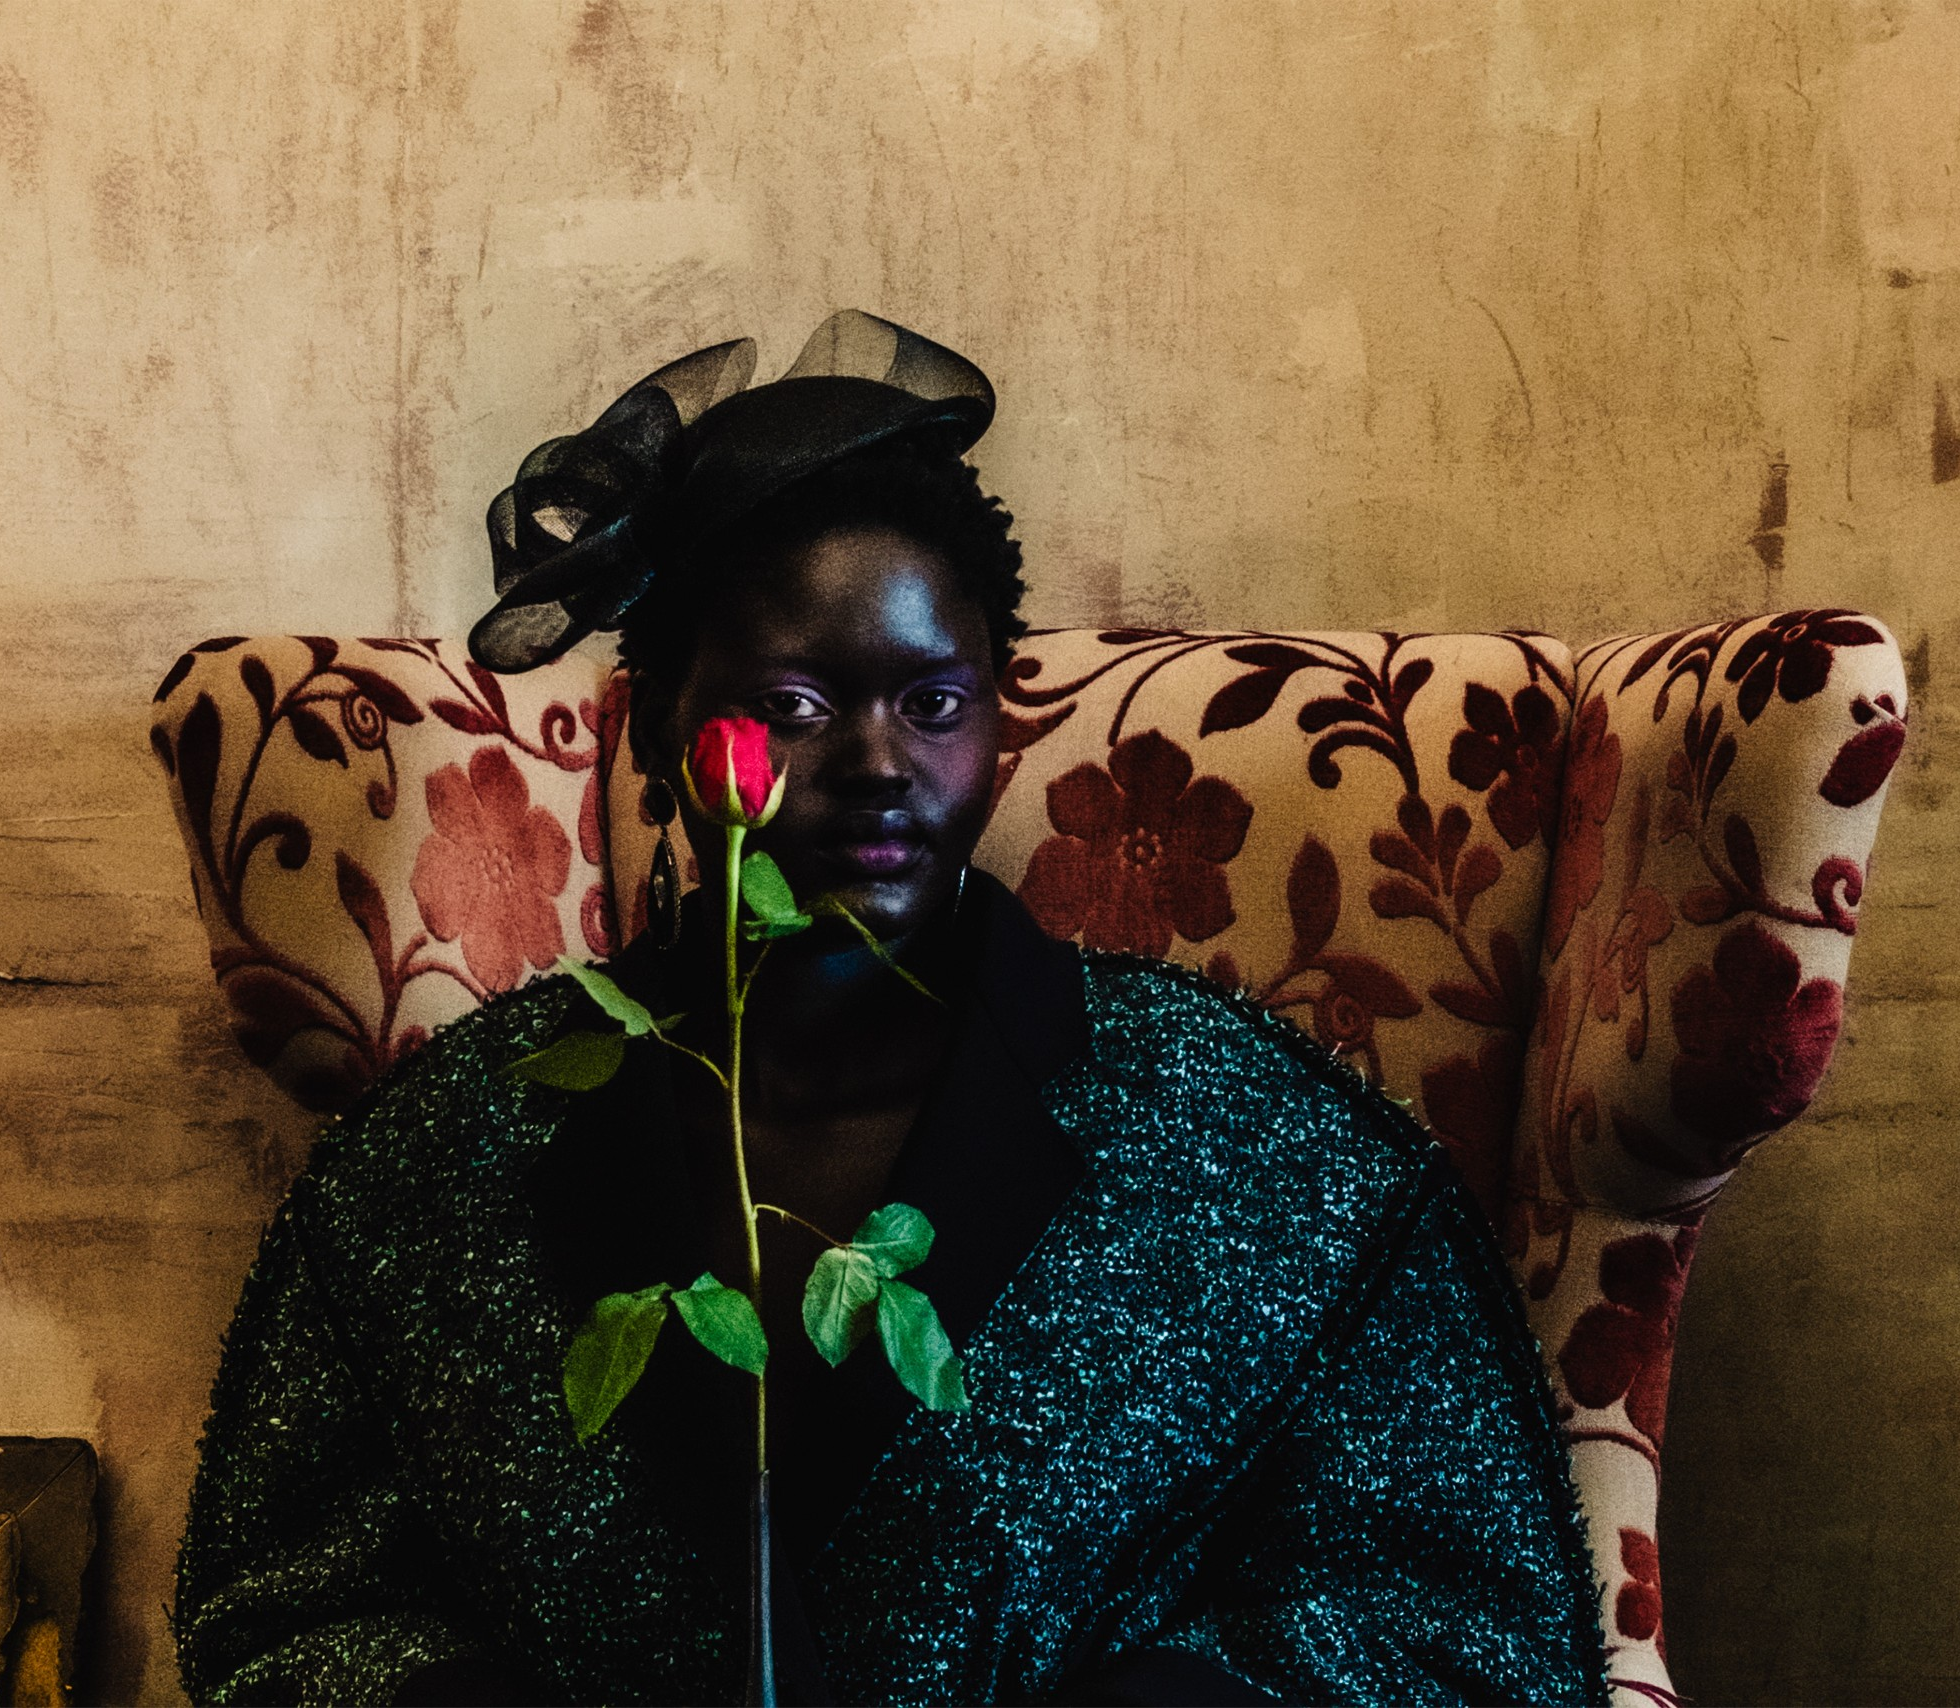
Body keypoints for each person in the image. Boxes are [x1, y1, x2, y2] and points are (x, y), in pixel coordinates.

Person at [172, 313, 1608, 1706]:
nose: (877, 763)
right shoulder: (445, 1162)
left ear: (999, 719)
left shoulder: (1252, 1152)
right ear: (661, 726)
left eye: (933, 703)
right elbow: (289, 1607)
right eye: (795, 705)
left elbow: (1458, 1626)